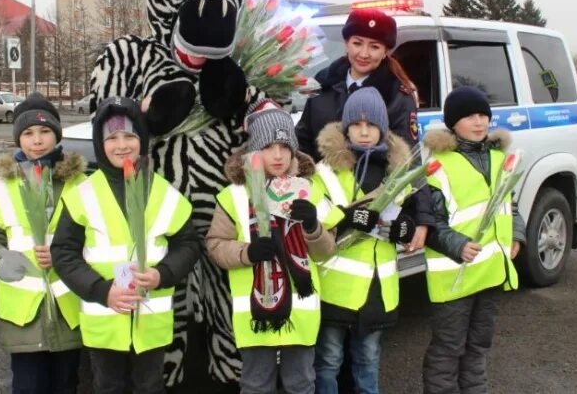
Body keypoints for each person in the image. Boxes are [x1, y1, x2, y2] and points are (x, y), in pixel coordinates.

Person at [51, 96, 201, 394]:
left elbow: (189, 244)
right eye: (112, 138)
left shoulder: (163, 191)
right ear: (100, 144)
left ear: (142, 140)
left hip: (151, 321)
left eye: (130, 136)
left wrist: (164, 273)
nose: (122, 145)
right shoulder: (84, 193)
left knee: (150, 386)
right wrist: (100, 290)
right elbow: (63, 252)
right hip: (105, 318)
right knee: (108, 386)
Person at [206, 100, 338, 394]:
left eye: (284, 146)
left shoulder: (309, 191)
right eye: (267, 147)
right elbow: (215, 245)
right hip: (255, 311)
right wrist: (246, 253)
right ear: (253, 150)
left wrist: (312, 227)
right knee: (255, 384)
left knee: (301, 382)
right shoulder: (234, 196)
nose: (277, 155)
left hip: (301, 308)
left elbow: (326, 250)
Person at [311, 87, 434, 394]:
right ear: (345, 127)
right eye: (356, 125)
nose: (364, 132)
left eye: (371, 125)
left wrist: (402, 229)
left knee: (368, 359)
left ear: (382, 128)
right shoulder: (325, 170)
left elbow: (407, 213)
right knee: (328, 360)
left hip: (378, 286)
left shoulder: (397, 169)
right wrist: (347, 217)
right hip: (335, 287)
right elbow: (315, 213)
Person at [0, 92, 86, 393]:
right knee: (28, 385)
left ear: (56, 135)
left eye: (44, 131)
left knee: (66, 383)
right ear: (18, 139)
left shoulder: (82, 186)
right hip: (22, 314)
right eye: (28, 133)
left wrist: (67, 258)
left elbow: (97, 236)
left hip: (69, 310)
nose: (36, 140)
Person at [421, 86, 526, 394]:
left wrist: (516, 234)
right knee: (448, 350)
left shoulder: (499, 158)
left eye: (483, 115)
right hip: (455, 277)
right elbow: (431, 222)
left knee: (478, 347)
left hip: (490, 273)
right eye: (469, 116)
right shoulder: (438, 165)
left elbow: (511, 205)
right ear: (453, 122)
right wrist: (456, 245)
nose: (479, 122)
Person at [295, 7, 419, 159]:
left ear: (385, 51)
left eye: (374, 47)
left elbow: (406, 158)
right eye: (357, 43)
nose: (364, 54)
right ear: (346, 44)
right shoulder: (323, 83)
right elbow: (302, 141)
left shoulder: (396, 96)